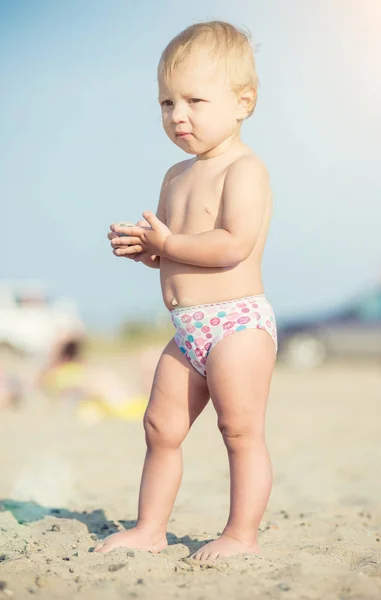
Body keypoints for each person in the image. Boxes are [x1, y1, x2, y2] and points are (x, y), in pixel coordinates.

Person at [97, 21, 278, 560]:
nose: (179, 115)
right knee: (160, 427)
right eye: (166, 103)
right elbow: (175, 252)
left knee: (239, 431)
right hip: (188, 329)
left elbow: (230, 246)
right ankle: (150, 528)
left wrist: (171, 240)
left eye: (195, 101)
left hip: (236, 324)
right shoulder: (176, 175)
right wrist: (149, 250)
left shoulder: (244, 169)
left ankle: (240, 535)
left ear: (243, 102)